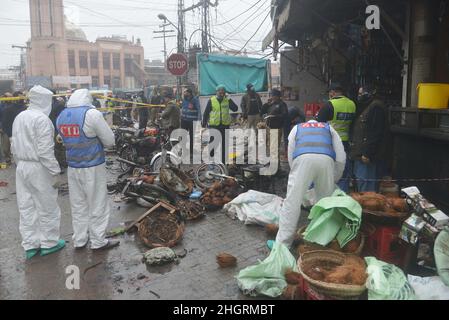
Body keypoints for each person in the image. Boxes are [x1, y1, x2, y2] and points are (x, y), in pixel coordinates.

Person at [56, 89, 119, 250]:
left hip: (73, 167)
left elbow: (63, 140)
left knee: (78, 205)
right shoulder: (92, 114)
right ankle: (98, 241)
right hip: (93, 165)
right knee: (97, 203)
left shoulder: (62, 115)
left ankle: (80, 239)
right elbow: (110, 141)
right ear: (87, 99)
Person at [273, 119, 346, 247]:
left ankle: (282, 245)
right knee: (325, 203)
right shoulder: (329, 128)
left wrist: (298, 175)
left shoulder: (297, 128)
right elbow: (341, 157)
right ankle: (322, 242)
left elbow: (291, 155)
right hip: (326, 160)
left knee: (292, 203)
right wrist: (334, 178)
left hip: (302, 159)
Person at [11, 85, 65, 259]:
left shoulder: (20, 117)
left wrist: (20, 164)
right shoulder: (42, 120)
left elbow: (14, 145)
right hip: (38, 167)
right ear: (44, 100)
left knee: (26, 206)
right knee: (46, 205)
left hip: (22, 166)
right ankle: (49, 243)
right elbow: (44, 152)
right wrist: (55, 172)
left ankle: (31, 245)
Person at [316, 83, 356, 192]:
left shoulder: (329, 105)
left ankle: (327, 195)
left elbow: (319, 125)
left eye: (330, 93)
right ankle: (341, 196)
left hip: (331, 142)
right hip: (345, 142)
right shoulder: (352, 104)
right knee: (343, 170)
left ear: (333, 92)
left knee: (328, 171)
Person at [350, 85, 386, 192]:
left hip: (367, 156)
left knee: (367, 185)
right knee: (362, 182)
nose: (359, 96)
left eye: (361, 94)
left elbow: (375, 132)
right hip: (361, 154)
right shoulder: (367, 106)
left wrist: (367, 153)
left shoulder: (376, 107)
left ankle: (368, 208)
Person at [202, 85, 239, 164]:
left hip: (225, 126)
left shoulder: (227, 100)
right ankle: (211, 162)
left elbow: (235, 108)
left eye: (223, 91)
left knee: (224, 145)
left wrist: (229, 99)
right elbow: (206, 113)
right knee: (213, 144)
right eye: (220, 91)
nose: (222, 92)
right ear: (217, 91)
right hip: (214, 126)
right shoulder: (211, 100)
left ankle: (223, 162)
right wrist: (204, 123)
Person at [2, 91, 27, 164]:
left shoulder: (25, 107)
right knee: (10, 148)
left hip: (22, 132)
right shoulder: (7, 108)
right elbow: (5, 122)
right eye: (20, 97)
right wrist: (9, 134)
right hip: (12, 132)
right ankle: (11, 160)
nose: (22, 98)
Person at [181, 88, 201, 162]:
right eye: (184, 92)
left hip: (192, 122)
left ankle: (191, 152)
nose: (184, 93)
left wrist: (199, 120)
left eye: (186, 92)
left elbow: (199, 110)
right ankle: (184, 151)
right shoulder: (184, 100)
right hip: (184, 121)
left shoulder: (195, 100)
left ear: (189, 93)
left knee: (192, 137)